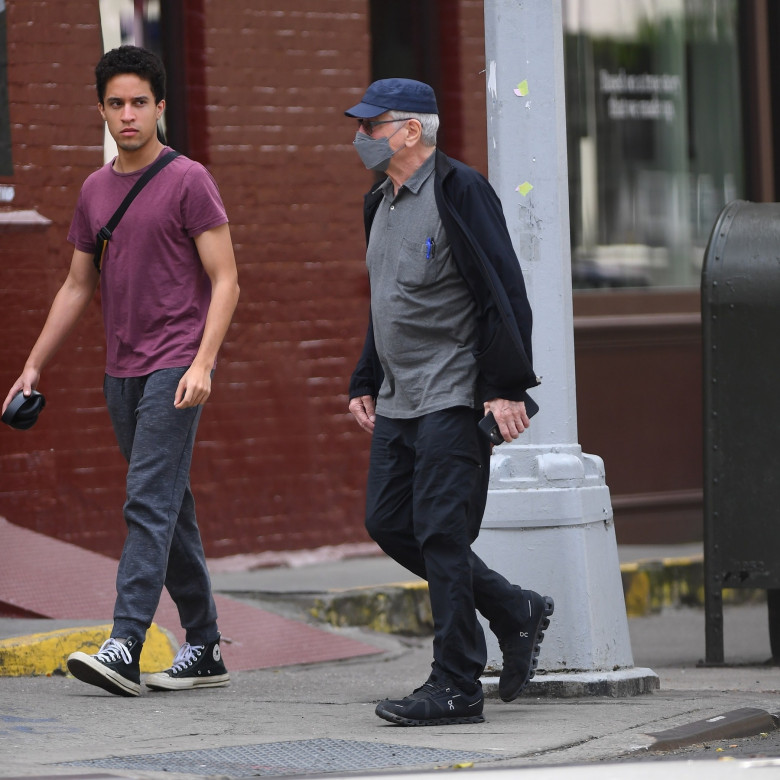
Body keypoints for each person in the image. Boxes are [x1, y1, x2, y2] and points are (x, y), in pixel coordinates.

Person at [1, 45, 240, 697]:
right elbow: (78, 285)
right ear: (101, 110)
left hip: (175, 366)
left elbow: (225, 280)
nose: (128, 115)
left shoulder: (189, 179)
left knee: (146, 500)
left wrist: (203, 362)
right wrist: (32, 364)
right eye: (116, 103)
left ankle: (125, 643)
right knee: (169, 505)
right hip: (121, 372)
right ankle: (207, 644)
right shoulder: (95, 189)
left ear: (160, 107)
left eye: (140, 102)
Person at [345, 78, 554, 726]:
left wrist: (503, 388)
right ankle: (514, 608)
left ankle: (458, 683)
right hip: (399, 397)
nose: (361, 138)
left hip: (453, 394)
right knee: (388, 521)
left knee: (441, 529)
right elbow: (389, 303)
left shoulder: (459, 189)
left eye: (372, 126)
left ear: (411, 131)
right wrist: (363, 377)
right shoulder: (377, 203)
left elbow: (504, 291)